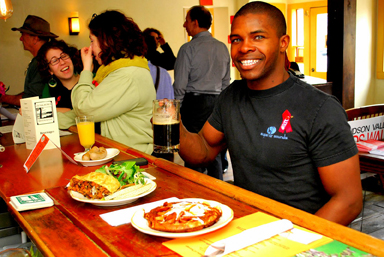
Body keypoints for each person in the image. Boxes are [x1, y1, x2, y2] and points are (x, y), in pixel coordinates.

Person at [178, 1, 363, 226]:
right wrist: (172, 124)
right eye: (237, 39)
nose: (244, 47)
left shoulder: (320, 108)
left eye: (258, 37)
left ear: (283, 43)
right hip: (247, 224)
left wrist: (293, 244)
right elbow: (204, 151)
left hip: (303, 235)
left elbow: (349, 201)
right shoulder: (230, 96)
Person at [65, 10, 156, 154]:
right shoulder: (119, 71)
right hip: (126, 154)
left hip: (133, 158)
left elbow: (84, 109)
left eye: (92, 41)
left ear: (106, 41)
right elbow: (78, 114)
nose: (90, 48)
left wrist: (86, 69)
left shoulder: (126, 76)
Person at [174, 5, 231, 180]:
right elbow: (226, 82)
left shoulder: (187, 49)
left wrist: (175, 111)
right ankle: (217, 190)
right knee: (213, 150)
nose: (184, 25)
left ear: (195, 22)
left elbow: (180, 84)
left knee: (192, 151)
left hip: (194, 104)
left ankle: (193, 191)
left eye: (186, 20)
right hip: (216, 103)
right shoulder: (222, 47)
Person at [1, 15, 58, 106]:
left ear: (35, 39)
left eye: (23, 35)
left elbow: (32, 98)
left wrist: (2, 97)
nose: (21, 39)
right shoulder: (40, 60)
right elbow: (31, 92)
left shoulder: (41, 62)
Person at [37, 39, 82, 112]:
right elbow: (43, 113)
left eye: (64, 56)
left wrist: (55, 110)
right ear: (49, 70)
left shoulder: (92, 79)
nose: (62, 62)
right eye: (54, 60)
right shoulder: (49, 89)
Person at [143, 34, 174, 99]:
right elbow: (173, 62)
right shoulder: (156, 56)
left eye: (157, 38)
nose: (156, 41)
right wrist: (164, 45)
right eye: (154, 38)